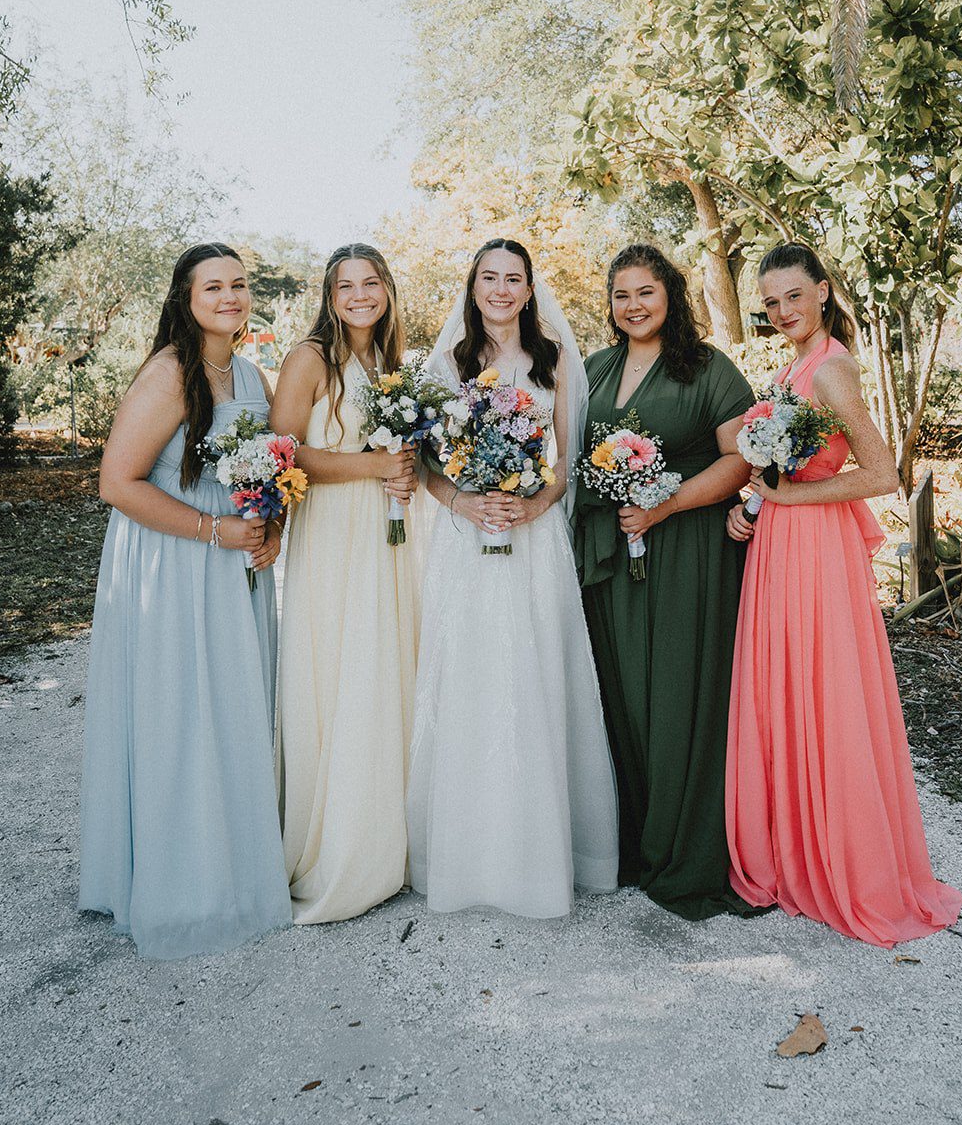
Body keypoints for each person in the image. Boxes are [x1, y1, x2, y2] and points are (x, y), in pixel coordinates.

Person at [725, 241, 962, 946]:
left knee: (823, 690)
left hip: (816, 550)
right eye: (769, 302)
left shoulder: (831, 370)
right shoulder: (788, 368)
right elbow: (781, 471)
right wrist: (753, 502)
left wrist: (790, 501)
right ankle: (794, 846)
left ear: (822, 292)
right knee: (783, 689)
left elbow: (883, 472)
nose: (780, 310)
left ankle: (843, 858)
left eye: (792, 296)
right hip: (781, 544)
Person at [79, 243, 290, 959]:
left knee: (229, 707)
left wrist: (271, 528)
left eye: (238, 285)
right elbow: (118, 483)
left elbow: (263, 472)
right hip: (174, 560)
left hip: (233, 562)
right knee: (180, 710)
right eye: (214, 287)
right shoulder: (170, 372)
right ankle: (182, 879)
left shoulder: (252, 373)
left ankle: (231, 859)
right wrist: (213, 530)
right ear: (185, 297)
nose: (230, 297)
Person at [406, 238, 618, 917]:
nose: (501, 289)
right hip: (466, 539)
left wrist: (533, 503)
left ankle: (542, 853)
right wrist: (466, 501)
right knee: (469, 676)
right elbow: (425, 468)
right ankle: (468, 856)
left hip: (533, 538)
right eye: (489, 278)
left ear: (530, 290)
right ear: (472, 287)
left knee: (534, 672)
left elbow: (565, 460)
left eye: (513, 279)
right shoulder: (444, 364)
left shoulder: (553, 359)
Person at [576, 243, 757, 920]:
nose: (632, 306)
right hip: (610, 554)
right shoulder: (595, 368)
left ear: (670, 295)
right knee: (620, 692)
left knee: (677, 693)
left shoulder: (707, 367)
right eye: (621, 294)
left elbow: (738, 460)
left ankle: (684, 847)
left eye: (644, 292)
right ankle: (632, 840)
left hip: (687, 550)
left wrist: (665, 504)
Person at [270, 244, 419, 923]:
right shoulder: (310, 358)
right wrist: (373, 465)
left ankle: (387, 832)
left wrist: (402, 471)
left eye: (370, 282)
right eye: (345, 286)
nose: (360, 295)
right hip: (332, 532)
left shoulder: (389, 362)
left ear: (386, 289)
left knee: (385, 665)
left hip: (386, 530)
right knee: (340, 666)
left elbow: (395, 452)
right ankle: (336, 845)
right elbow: (284, 450)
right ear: (329, 297)